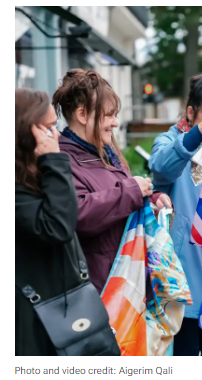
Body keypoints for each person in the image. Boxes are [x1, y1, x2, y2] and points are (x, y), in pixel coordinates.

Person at [53, 69, 170, 294]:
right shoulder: (63, 161)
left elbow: (121, 195)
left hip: (124, 285)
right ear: (82, 114)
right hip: (100, 290)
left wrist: (153, 198)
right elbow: (77, 214)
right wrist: (132, 191)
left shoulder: (104, 152)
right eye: (109, 115)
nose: (115, 123)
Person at [149, 73, 202, 356]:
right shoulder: (170, 140)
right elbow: (161, 167)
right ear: (191, 112)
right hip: (180, 277)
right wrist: (197, 135)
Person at [15, 89, 85, 355]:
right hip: (35, 319)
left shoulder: (35, 173)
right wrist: (54, 161)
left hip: (61, 308)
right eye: (47, 128)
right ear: (24, 132)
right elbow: (58, 227)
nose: (55, 135)